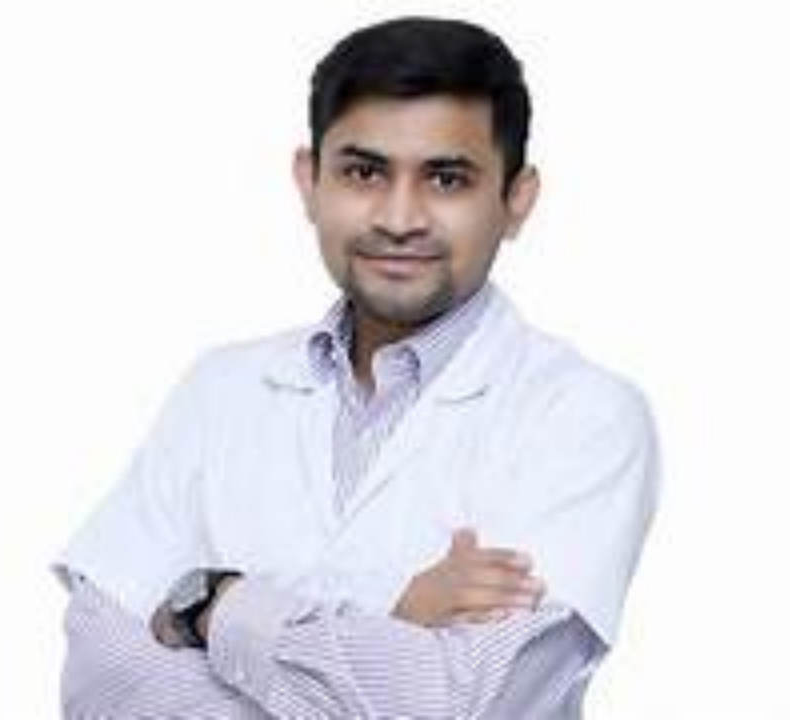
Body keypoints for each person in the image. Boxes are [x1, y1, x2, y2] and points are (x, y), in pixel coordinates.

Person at [55, 15, 659, 719]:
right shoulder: (219, 390)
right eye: (364, 172)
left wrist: (212, 604)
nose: (399, 218)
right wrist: (390, 610)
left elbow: (465, 704)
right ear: (309, 181)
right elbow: (97, 687)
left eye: (447, 179)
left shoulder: (584, 417)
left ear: (516, 200)